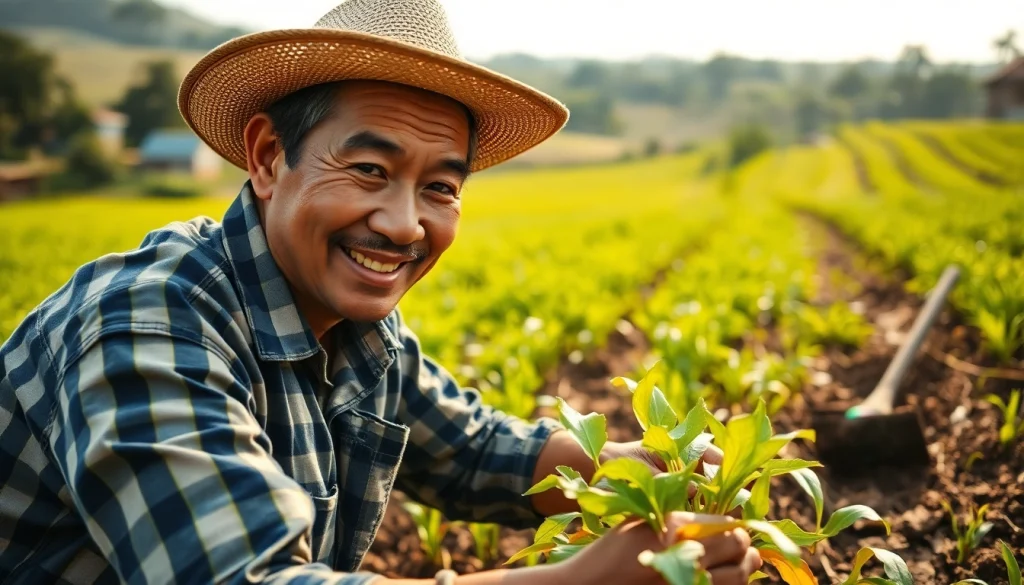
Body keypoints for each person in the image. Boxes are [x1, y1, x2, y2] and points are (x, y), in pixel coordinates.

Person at [0, 1, 762, 583]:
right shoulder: (145, 324)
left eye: (440, 186)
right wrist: (574, 579)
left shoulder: (355, 329)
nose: (403, 225)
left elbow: (472, 452)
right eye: (369, 170)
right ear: (269, 158)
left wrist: (641, 470)